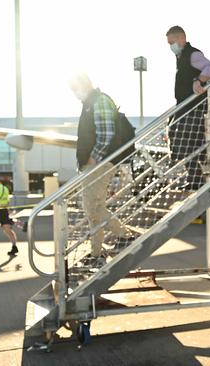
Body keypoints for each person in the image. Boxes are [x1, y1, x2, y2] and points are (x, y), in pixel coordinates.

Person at [69, 73, 131, 264]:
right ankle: (97, 253)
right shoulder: (89, 103)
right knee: (93, 209)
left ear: (84, 85)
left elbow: (106, 133)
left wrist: (92, 159)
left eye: (75, 88)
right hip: (94, 164)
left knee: (93, 207)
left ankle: (124, 237)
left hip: (100, 164)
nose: (74, 93)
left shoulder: (99, 101)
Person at [165, 25, 210, 191]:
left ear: (182, 39)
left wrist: (199, 80)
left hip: (192, 107)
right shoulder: (181, 56)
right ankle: (193, 176)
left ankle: (195, 178)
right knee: (180, 136)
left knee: (187, 141)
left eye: (171, 42)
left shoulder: (192, 54)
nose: (170, 46)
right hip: (185, 106)